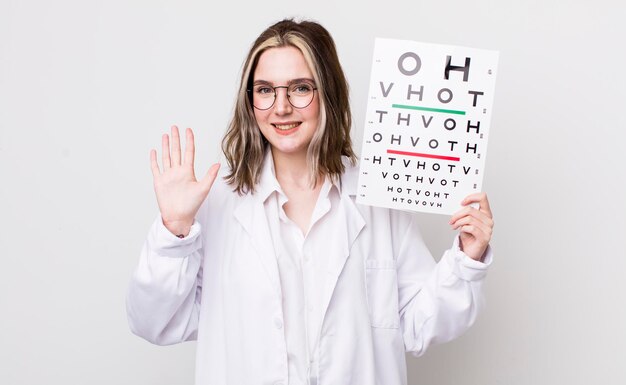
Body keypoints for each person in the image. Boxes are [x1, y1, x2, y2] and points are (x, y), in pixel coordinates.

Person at [126, 18, 494, 385]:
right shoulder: (216, 204)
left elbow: (418, 325)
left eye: (300, 88)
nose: (281, 107)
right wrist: (174, 231)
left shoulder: (378, 199)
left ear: (328, 93)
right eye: (265, 90)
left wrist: (467, 258)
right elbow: (154, 323)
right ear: (250, 101)